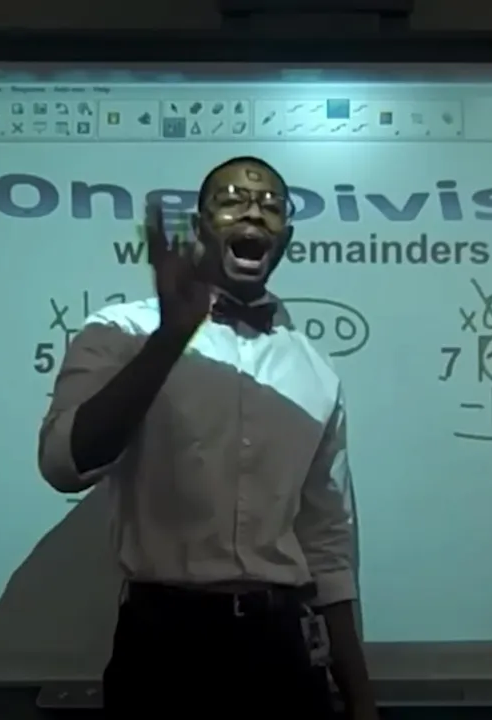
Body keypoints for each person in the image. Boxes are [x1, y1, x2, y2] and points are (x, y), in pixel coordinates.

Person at [37, 156, 376, 718]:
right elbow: (63, 464)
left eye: (271, 206)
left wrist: (362, 699)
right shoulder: (121, 332)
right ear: (200, 227)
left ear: (287, 238)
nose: (254, 212)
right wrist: (171, 337)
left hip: (285, 653)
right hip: (164, 649)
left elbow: (326, 545)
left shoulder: (315, 371)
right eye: (233, 201)